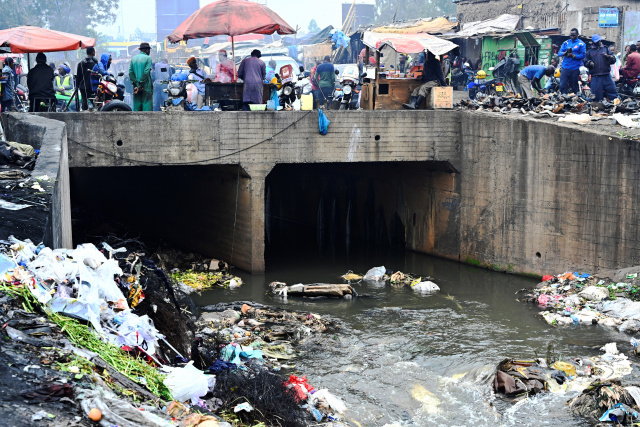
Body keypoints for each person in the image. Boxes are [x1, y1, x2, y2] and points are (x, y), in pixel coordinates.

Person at [584, 35, 618, 102]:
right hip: (595, 77)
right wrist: (589, 63)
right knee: (596, 96)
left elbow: (614, 59)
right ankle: (598, 109)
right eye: (597, 41)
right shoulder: (590, 51)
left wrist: (610, 58)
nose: (598, 42)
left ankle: (616, 106)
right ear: (593, 42)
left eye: (599, 40)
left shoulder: (606, 49)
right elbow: (585, 62)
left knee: (613, 93)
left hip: (606, 75)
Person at [558, 28, 586, 95]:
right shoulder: (566, 43)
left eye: (574, 35)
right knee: (563, 85)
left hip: (575, 69)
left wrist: (573, 56)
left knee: (574, 87)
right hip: (565, 68)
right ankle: (563, 98)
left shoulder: (581, 44)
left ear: (577, 35)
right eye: (571, 35)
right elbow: (559, 53)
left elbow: (582, 56)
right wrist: (564, 53)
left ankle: (575, 100)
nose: (572, 37)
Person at [129, 42, 153, 111]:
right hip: (146, 87)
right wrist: (140, 85)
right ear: (147, 50)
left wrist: (136, 85)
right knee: (147, 106)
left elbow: (130, 73)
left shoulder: (134, 58)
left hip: (135, 87)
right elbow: (146, 72)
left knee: (137, 106)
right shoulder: (148, 58)